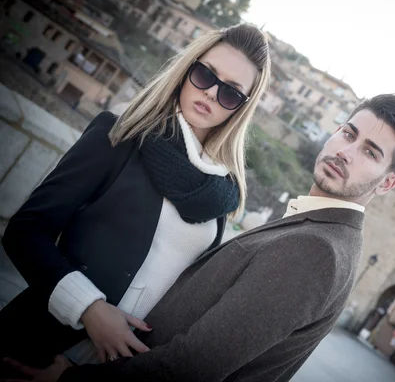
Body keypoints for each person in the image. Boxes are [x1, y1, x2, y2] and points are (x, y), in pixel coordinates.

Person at [4, 94, 395, 382]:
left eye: (370, 152)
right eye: (349, 133)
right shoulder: (316, 231)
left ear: (386, 183)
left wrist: (70, 379)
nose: (346, 151)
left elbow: (195, 367)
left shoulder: (319, 250)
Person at [0, 23, 271, 371]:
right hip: (40, 348)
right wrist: (88, 307)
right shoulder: (120, 132)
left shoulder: (221, 189)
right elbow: (25, 232)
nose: (211, 94)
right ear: (187, 68)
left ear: (241, 108)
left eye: (231, 93)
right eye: (205, 74)